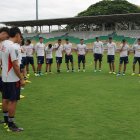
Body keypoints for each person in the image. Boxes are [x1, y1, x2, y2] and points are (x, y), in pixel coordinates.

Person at [0, 27, 25, 132]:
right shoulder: (13, 47)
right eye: (20, 36)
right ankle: (11, 124)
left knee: (5, 98)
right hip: (12, 79)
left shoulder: (3, 45)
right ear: (18, 35)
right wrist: (22, 78)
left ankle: (6, 120)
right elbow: (15, 65)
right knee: (13, 101)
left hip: (4, 78)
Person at [0, 27, 10, 110]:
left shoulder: (2, 44)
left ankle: (5, 112)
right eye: (6, 36)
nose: (7, 38)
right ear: (2, 34)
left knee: (4, 92)